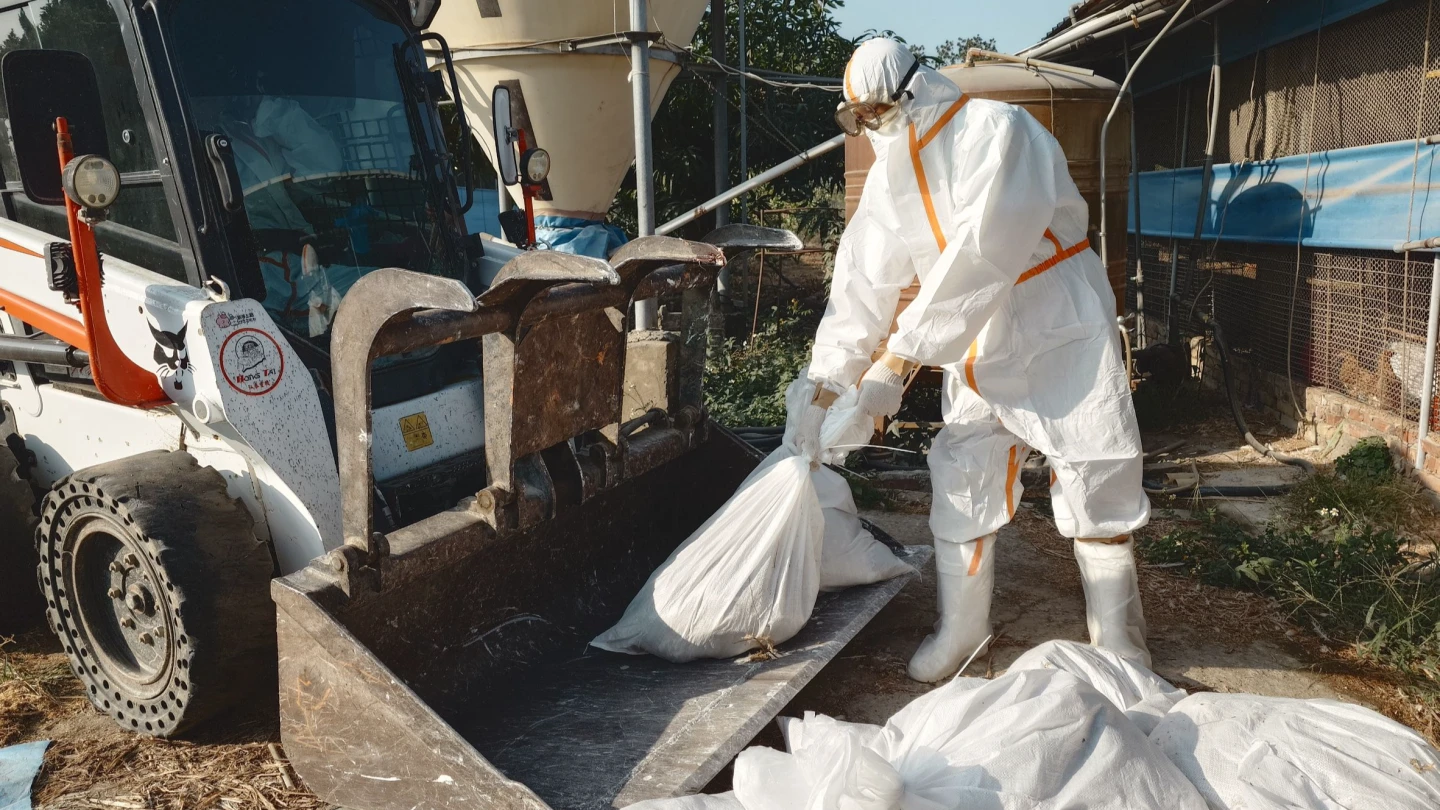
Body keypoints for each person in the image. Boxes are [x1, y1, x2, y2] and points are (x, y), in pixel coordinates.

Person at [788, 38, 1151, 682]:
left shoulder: (997, 130)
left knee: (1094, 467)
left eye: (876, 112)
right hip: (973, 342)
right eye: (858, 118)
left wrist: (897, 362)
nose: (870, 127)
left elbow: (984, 253)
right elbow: (861, 284)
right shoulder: (888, 175)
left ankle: (1120, 644)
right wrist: (824, 383)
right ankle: (962, 630)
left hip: (1052, 318)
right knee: (963, 474)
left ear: (913, 91)